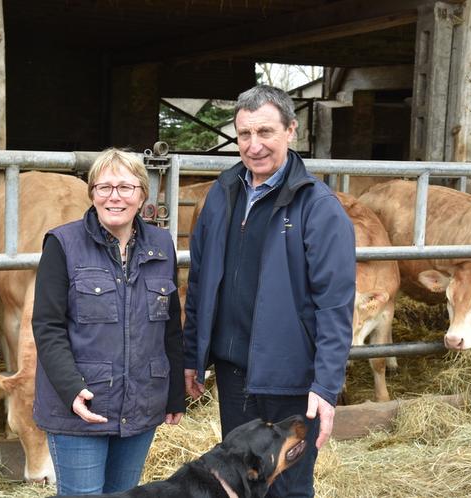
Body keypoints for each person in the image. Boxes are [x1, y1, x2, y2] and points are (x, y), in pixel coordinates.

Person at [183, 84, 356, 498]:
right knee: (238, 486)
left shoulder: (317, 206)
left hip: (291, 381)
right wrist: (193, 354)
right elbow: (201, 281)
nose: (254, 145)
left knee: (289, 489)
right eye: (245, 134)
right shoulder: (221, 195)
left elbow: (335, 304)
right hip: (233, 372)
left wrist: (326, 387)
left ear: (291, 130)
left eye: (265, 132)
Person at [32, 148, 184, 495]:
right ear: (92, 194)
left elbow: (171, 327)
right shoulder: (63, 244)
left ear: (142, 194)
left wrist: (174, 393)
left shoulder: (161, 245)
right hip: (82, 407)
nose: (114, 197)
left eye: (125, 188)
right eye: (104, 188)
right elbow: (47, 326)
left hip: (141, 404)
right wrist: (71, 389)